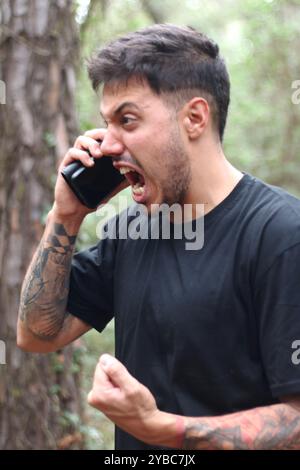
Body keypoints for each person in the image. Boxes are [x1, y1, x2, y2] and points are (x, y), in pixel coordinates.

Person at [17, 24, 300, 450]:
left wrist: (159, 428)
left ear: (194, 118)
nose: (108, 145)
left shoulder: (281, 233)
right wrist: (66, 214)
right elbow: (37, 335)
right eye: (105, 124)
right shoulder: (135, 230)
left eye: (126, 120)